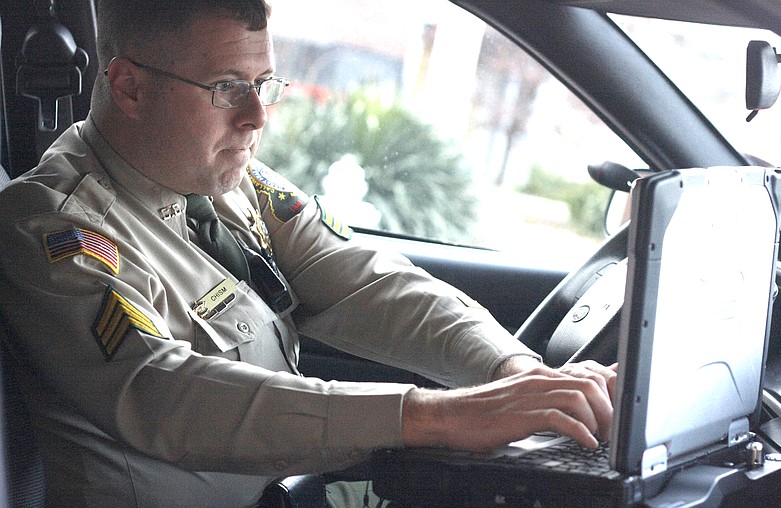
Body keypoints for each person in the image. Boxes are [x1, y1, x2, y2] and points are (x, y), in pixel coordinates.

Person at [0, 0, 616, 505]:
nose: (257, 115)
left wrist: (516, 371)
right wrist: (430, 416)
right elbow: (163, 391)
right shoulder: (52, 226)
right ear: (129, 87)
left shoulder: (236, 183)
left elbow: (366, 281)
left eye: (265, 84)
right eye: (227, 89)